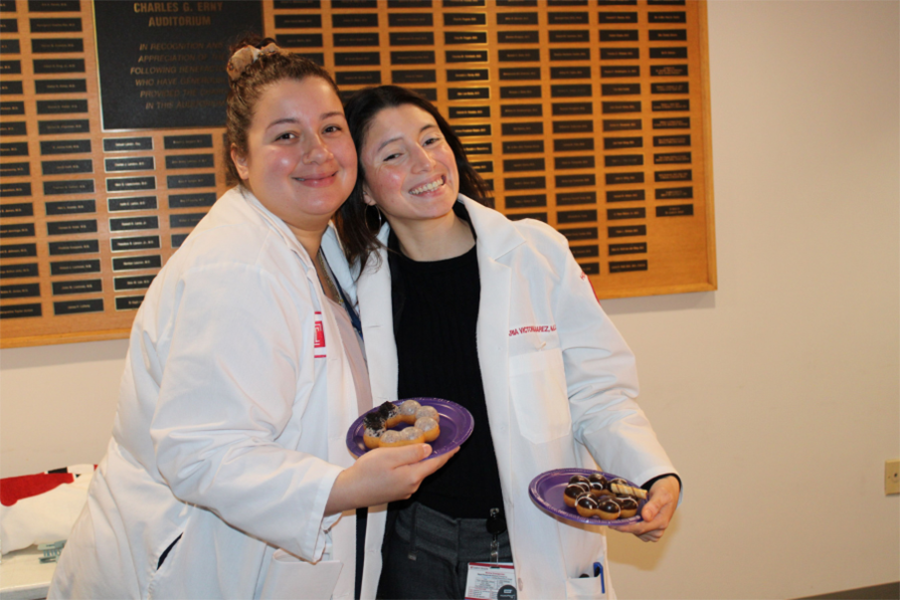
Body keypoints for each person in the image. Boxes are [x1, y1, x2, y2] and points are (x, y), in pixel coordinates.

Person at [48, 42, 453, 600]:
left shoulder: (320, 244)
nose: (318, 152)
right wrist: (340, 488)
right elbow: (200, 453)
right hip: (190, 569)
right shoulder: (237, 267)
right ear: (240, 158)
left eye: (330, 128)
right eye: (286, 135)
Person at [332, 85, 682, 599]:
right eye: (393, 155)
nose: (425, 163)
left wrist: (650, 473)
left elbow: (598, 391)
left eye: (431, 140)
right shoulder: (353, 286)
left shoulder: (537, 254)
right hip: (412, 547)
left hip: (523, 542)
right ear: (364, 189)